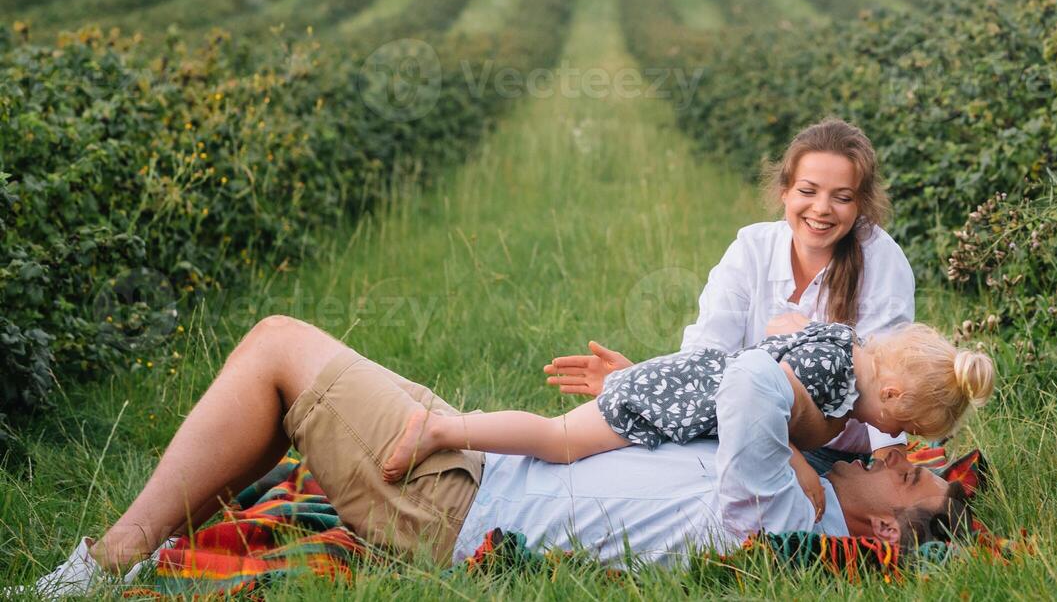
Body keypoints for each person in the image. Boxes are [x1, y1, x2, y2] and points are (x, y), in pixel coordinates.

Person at [5, 315, 969, 599]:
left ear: (883, 525)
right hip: (486, 477)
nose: (897, 452)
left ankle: (110, 560)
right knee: (307, 381)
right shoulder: (784, 483)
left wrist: (823, 369)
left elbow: (755, 386)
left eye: (912, 470)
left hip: (464, 507)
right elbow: (719, 408)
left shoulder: (790, 508)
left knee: (277, 347)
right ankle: (170, 517)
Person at [547, 118, 919, 468]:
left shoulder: (880, 259)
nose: (821, 209)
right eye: (808, 191)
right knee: (632, 453)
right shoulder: (751, 248)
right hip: (751, 433)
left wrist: (890, 467)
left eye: (842, 197)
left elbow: (888, 376)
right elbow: (707, 350)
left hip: (842, 455)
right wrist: (649, 385)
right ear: (784, 191)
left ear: (860, 204)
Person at [379, 321, 995, 521]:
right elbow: (764, 387)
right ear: (889, 391)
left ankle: (449, 428)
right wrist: (796, 463)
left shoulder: (844, 349)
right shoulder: (836, 378)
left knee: (560, 437)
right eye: (904, 425)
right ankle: (444, 430)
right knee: (558, 439)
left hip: (690, 385)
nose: (898, 439)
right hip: (680, 397)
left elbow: (780, 336)